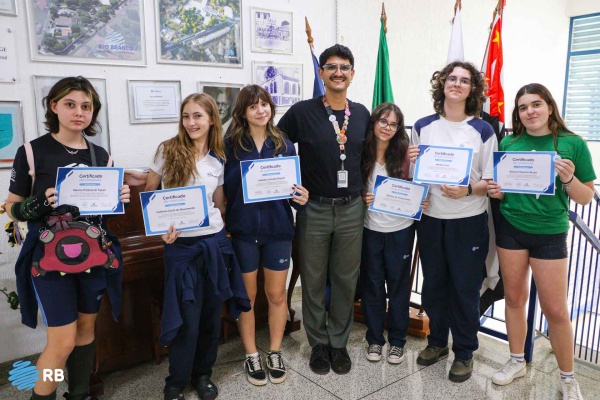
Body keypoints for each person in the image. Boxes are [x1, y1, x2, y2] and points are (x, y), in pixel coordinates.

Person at [6, 76, 131, 400]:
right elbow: (12, 208)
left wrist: (119, 198)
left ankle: (79, 394)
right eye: (71, 104)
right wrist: (37, 204)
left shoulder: (101, 155)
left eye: (86, 107)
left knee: (86, 331)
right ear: (54, 106)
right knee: (62, 341)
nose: (79, 112)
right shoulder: (32, 152)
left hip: (92, 255)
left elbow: (100, 215)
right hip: (49, 259)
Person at [488, 83, 596, 400]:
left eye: (536, 104)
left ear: (549, 107)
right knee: (514, 299)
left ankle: (568, 378)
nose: (530, 111)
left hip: (550, 233)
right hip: (511, 228)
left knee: (556, 310)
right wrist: (498, 192)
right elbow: (505, 188)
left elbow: (585, 197)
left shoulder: (573, 143)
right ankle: (516, 360)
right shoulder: (509, 143)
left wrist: (568, 178)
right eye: (523, 107)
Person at [145, 93, 250, 400]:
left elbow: (218, 205)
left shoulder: (218, 159)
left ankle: (203, 374)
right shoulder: (167, 150)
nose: (191, 122)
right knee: (186, 320)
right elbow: (150, 196)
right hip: (181, 247)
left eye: (198, 116)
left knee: (210, 317)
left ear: (212, 120)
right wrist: (161, 232)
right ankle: (175, 382)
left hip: (214, 244)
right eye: (186, 116)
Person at [277, 44, 370, 375]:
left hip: (352, 209)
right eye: (331, 67)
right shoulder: (302, 112)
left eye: (344, 67)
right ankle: (318, 343)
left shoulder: (362, 114)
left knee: (345, 279)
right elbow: (275, 146)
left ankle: (338, 343)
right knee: (313, 278)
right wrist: (290, 186)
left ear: (352, 74)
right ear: (321, 73)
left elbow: (374, 155)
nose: (338, 72)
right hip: (313, 208)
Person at [408, 61, 497, 382]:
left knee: (465, 288)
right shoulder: (423, 126)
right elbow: (414, 175)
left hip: (468, 221)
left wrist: (467, 190)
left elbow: (491, 180)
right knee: (433, 285)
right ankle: (436, 343)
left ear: (472, 89)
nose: (457, 84)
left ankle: (464, 351)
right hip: (431, 219)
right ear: (442, 84)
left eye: (465, 80)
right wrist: (413, 174)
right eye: (452, 79)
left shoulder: (483, 130)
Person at [223, 85, 309, 386]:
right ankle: (251, 353)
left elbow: (292, 190)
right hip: (244, 231)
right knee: (247, 297)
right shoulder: (230, 146)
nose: (261, 111)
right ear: (243, 112)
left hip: (278, 230)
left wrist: (300, 197)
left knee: (276, 294)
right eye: (253, 106)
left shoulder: (284, 144)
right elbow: (224, 189)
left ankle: (274, 351)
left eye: (265, 105)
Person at [361, 102, 427, 365]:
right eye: (383, 121)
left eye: (393, 124)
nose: (387, 127)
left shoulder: (405, 155)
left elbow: (418, 186)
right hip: (370, 229)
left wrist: (421, 199)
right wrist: (362, 197)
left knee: (399, 287)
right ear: (374, 122)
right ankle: (375, 340)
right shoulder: (362, 153)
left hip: (400, 230)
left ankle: (397, 342)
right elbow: (354, 186)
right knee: (373, 286)